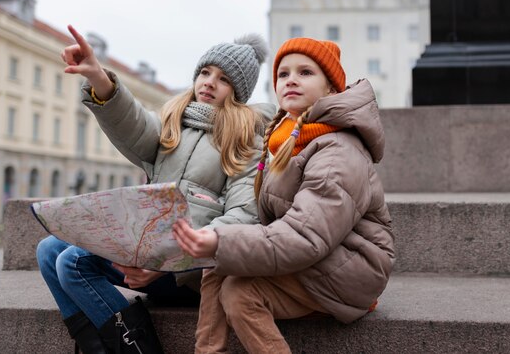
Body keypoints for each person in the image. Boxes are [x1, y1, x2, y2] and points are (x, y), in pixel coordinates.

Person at [36, 25, 274, 354]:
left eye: (223, 78)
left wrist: (171, 260)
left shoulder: (248, 140)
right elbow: (132, 124)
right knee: (48, 250)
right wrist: (98, 78)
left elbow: (243, 216)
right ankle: (98, 347)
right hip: (148, 253)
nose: (209, 82)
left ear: (239, 90)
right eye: (205, 72)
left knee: (73, 262)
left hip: (189, 275)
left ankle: (138, 349)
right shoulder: (174, 121)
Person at [173, 37, 395, 354]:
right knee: (221, 261)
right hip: (317, 259)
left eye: (305, 72)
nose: (291, 79)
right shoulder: (285, 136)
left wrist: (222, 242)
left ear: (331, 88)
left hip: (350, 271)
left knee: (240, 292)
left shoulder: (337, 152)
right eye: (283, 74)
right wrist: (221, 240)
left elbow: (306, 236)